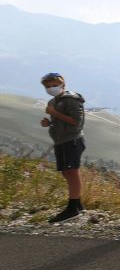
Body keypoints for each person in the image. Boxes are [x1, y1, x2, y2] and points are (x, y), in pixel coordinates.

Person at [39, 72, 87, 223]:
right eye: (47, 86)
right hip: (60, 141)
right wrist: (50, 123)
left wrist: (54, 113)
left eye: (54, 85)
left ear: (62, 85)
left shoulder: (70, 100)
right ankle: (78, 204)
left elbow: (76, 122)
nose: (51, 88)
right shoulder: (54, 101)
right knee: (66, 172)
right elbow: (61, 122)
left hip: (72, 140)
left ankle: (72, 209)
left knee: (72, 172)